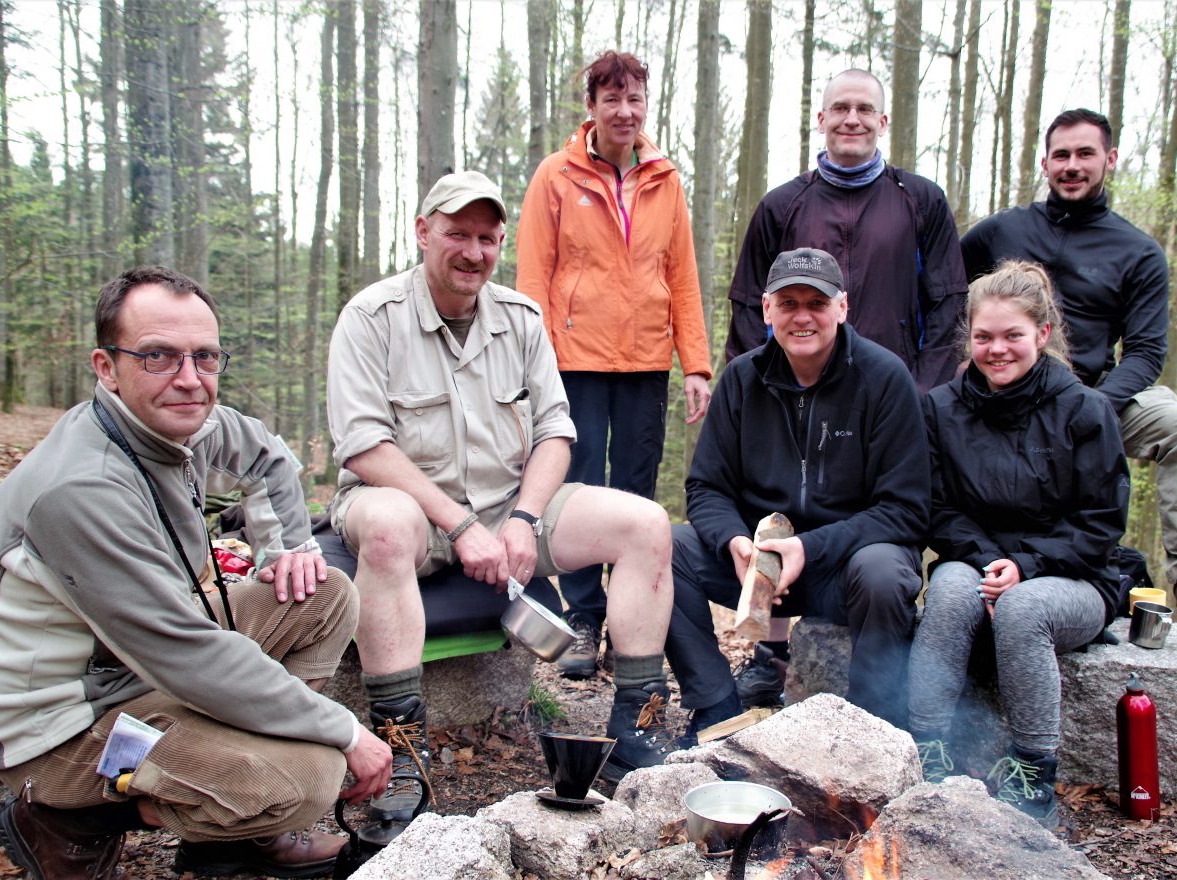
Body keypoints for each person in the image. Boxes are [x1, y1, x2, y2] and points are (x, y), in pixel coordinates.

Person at [0, 267, 392, 880]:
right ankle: (66, 818)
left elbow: (268, 455)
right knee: (312, 777)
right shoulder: (81, 490)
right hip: (56, 728)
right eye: (158, 356)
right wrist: (343, 731)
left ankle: (230, 833)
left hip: (127, 670)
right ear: (106, 367)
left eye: (205, 357)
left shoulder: (175, 423)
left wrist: (288, 552)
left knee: (323, 593)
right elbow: (185, 654)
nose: (190, 379)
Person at [327, 170, 677, 785]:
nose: (474, 252)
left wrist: (524, 517)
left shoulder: (520, 318)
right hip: (407, 509)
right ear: (422, 232)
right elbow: (364, 447)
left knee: (645, 523)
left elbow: (555, 432)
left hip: (506, 506)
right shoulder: (371, 317)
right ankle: (402, 754)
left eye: (487, 238)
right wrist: (460, 525)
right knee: (383, 526)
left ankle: (637, 728)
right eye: (457, 234)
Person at [960, 108, 1177, 623]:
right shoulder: (997, 233)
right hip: (1001, 398)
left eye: (1085, 154)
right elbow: (948, 303)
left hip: (1094, 394)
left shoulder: (1138, 252)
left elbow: (1147, 353)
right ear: (1044, 162)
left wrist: (1090, 409)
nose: (1072, 165)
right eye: (1061, 155)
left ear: (1109, 159)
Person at [721, 68, 968, 705]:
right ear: (821, 120)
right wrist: (754, 390)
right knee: (772, 512)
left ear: (884, 122)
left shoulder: (920, 201)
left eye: (865, 109)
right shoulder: (783, 204)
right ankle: (769, 654)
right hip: (787, 390)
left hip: (888, 397)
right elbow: (751, 304)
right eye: (839, 109)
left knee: (876, 542)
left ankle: (873, 696)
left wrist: (922, 396)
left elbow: (947, 306)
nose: (852, 118)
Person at [665, 248, 929, 739]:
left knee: (885, 572)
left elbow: (907, 510)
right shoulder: (742, 380)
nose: (802, 316)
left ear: (842, 308)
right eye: (788, 303)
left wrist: (809, 547)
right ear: (767, 310)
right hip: (758, 568)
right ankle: (717, 710)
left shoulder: (885, 379)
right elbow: (706, 486)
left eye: (817, 302)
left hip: (843, 567)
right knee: (664, 547)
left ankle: (872, 733)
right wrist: (734, 543)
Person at [907, 260, 1131, 829]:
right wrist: (991, 561)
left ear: (1043, 335)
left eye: (1013, 336)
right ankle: (926, 749)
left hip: (1075, 578)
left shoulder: (1085, 410)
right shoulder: (940, 409)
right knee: (952, 589)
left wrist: (1026, 566)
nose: (997, 350)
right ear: (969, 339)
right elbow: (935, 509)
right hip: (979, 561)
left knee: (1023, 608)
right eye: (984, 337)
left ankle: (1034, 769)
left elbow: (1102, 525)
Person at [516, 50, 712, 681]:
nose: (624, 112)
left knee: (633, 490)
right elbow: (532, 278)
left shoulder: (665, 178)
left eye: (635, 100)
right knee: (573, 490)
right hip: (572, 360)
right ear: (592, 107)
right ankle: (582, 619)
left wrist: (698, 366)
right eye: (612, 99)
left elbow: (681, 277)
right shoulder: (555, 176)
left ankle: (631, 625)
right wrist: (532, 362)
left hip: (648, 361)